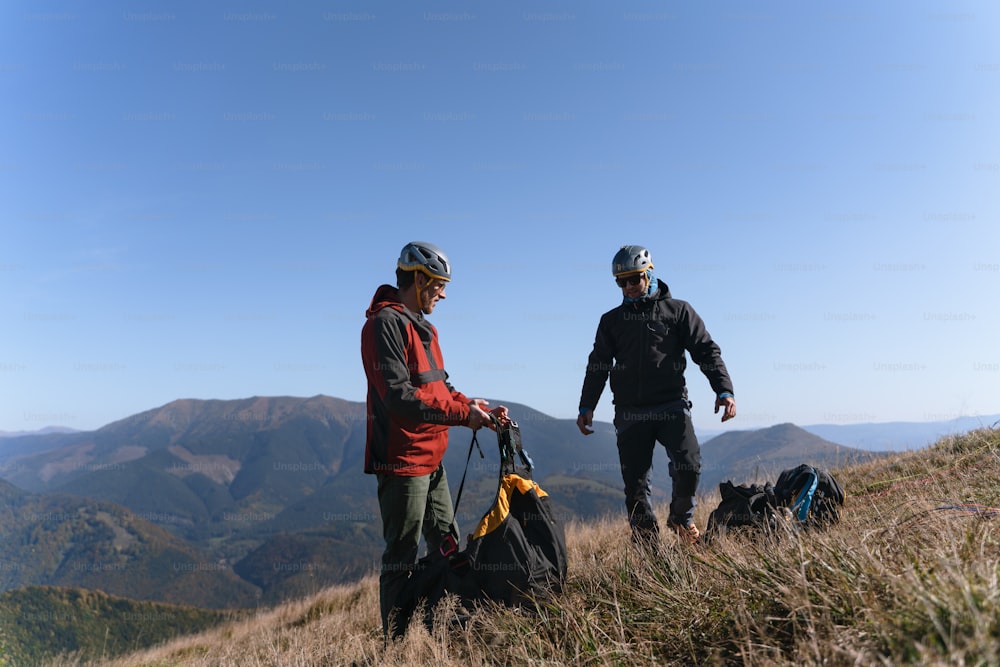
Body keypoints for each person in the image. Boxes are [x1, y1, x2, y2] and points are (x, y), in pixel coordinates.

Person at [361, 240, 508, 638]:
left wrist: (470, 404)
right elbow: (399, 398)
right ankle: (397, 644)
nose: (443, 293)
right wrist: (464, 416)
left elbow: (436, 388)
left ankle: (440, 627)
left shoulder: (422, 326)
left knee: (446, 543)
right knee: (402, 557)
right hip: (402, 462)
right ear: (421, 279)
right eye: (439, 284)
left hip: (431, 459)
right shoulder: (384, 325)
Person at [576, 244, 736, 547]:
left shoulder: (678, 311)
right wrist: (587, 406)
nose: (628, 287)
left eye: (634, 279)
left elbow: (706, 351)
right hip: (629, 411)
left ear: (649, 274)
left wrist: (723, 390)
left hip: (671, 404)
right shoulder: (611, 321)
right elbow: (597, 365)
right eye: (621, 282)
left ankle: (680, 518)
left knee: (689, 464)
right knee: (635, 487)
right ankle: (649, 556)